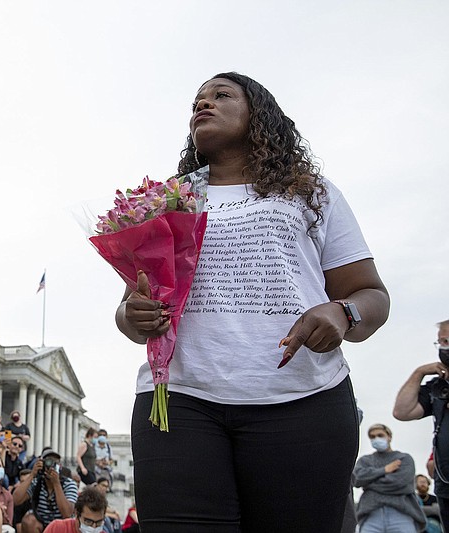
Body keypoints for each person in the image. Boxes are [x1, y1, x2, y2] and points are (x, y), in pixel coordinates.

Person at [116, 72, 389, 532]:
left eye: (221, 95)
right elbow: (130, 310)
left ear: (259, 114)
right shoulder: (168, 200)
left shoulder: (311, 192)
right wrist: (133, 315)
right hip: (178, 404)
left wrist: (342, 312)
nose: (203, 104)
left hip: (304, 404)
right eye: (197, 101)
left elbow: (371, 296)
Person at [393, 319, 449, 528]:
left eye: (447, 340)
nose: (444, 347)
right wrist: (419, 372)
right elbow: (402, 411)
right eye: (440, 342)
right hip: (445, 485)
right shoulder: (438, 387)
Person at [353, 424, 425, 531]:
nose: (376, 439)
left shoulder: (404, 459)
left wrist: (369, 483)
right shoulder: (365, 460)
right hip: (371, 516)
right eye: (372, 437)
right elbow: (357, 479)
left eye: (380, 435)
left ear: (389, 436)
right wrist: (385, 470)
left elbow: (399, 483)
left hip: (401, 515)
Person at [13, 449, 77, 533]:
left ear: (60, 467)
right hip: (42, 523)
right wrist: (32, 474)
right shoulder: (38, 482)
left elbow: (67, 514)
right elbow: (16, 500)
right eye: (48, 462)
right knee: (29, 521)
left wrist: (56, 484)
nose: (51, 466)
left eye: (55, 463)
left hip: (62, 525)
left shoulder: (69, 484)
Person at [43, 486, 108, 533]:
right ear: (77, 514)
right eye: (88, 522)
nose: (94, 527)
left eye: (98, 522)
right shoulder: (57, 528)